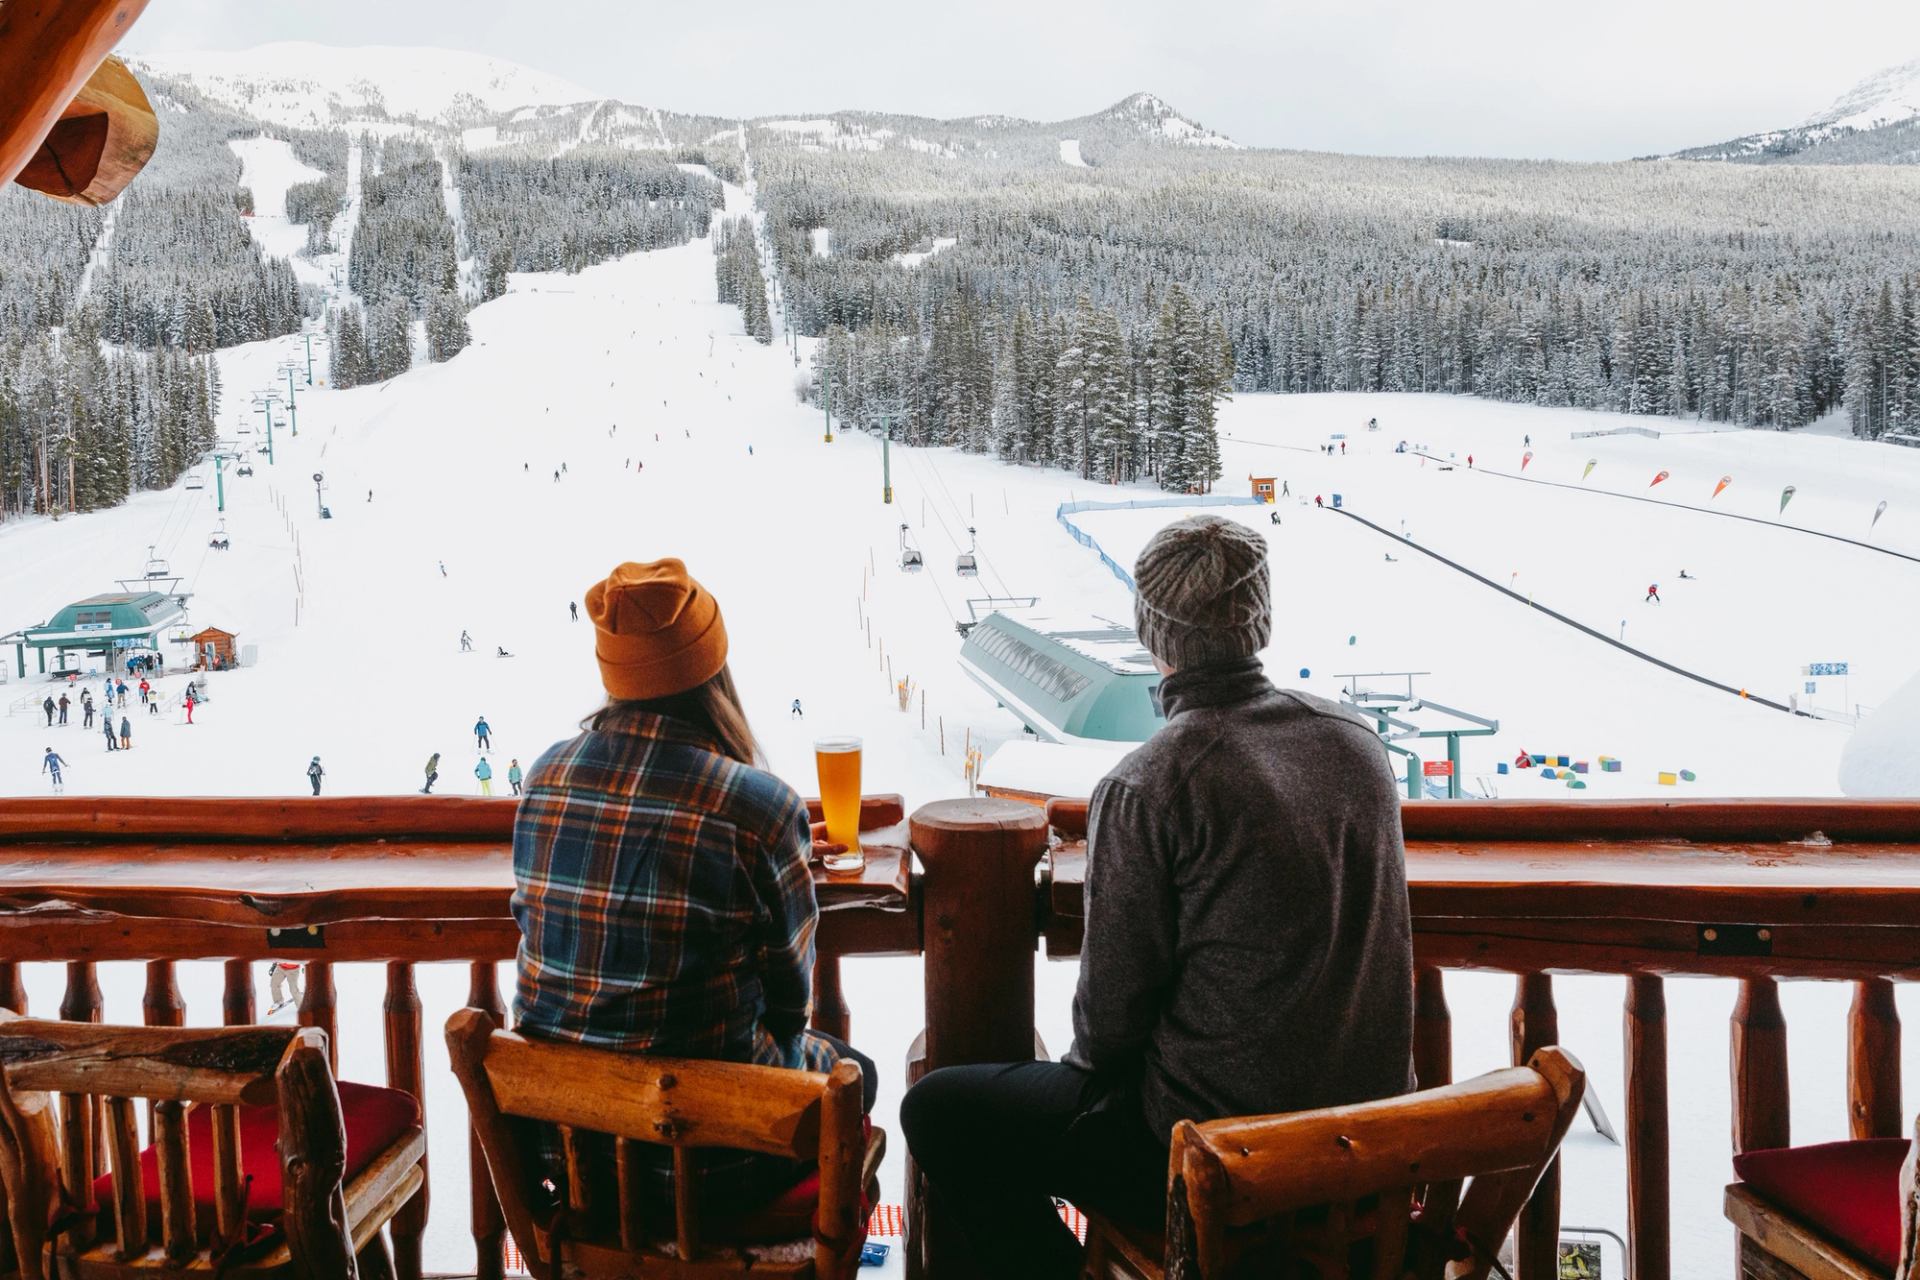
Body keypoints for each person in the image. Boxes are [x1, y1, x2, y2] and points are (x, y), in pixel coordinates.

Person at [901, 516, 1414, 1277]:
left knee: (940, 1112)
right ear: (1260, 617)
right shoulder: (1356, 742)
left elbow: (1107, 1029)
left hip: (1218, 1166)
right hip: (1366, 1157)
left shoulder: (1153, 783)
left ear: (1151, 631)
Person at [512, 559, 878, 1209]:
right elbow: (791, 1010)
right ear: (713, 671)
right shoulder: (757, 807)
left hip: (572, 1162)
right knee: (860, 1074)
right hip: (711, 1169)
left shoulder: (544, 779)